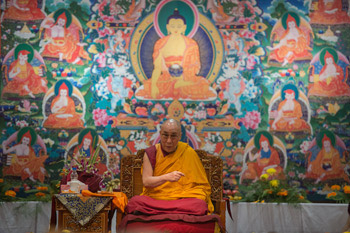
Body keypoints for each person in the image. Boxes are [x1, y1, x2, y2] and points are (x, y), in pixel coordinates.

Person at [136, 9, 216, 100]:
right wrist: (154, 85)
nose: (176, 29)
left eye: (179, 26)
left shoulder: (191, 44)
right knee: (150, 86)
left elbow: (194, 68)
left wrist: (182, 78)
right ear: (168, 27)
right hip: (167, 79)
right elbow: (157, 68)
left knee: (202, 84)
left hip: (185, 79)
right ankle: (175, 85)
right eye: (173, 26)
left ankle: (180, 84)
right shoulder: (160, 44)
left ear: (184, 28)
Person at [141, 119, 214, 213]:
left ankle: (167, 210)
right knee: (136, 202)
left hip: (182, 199)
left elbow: (201, 186)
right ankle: (175, 211)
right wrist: (167, 177)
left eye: (174, 136)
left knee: (199, 203)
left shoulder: (188, 152)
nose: (169, 141)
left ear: (180, 136)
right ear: (160, 134)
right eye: (165, 135)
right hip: (157, 197)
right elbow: (146, 182)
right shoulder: (151, 153)